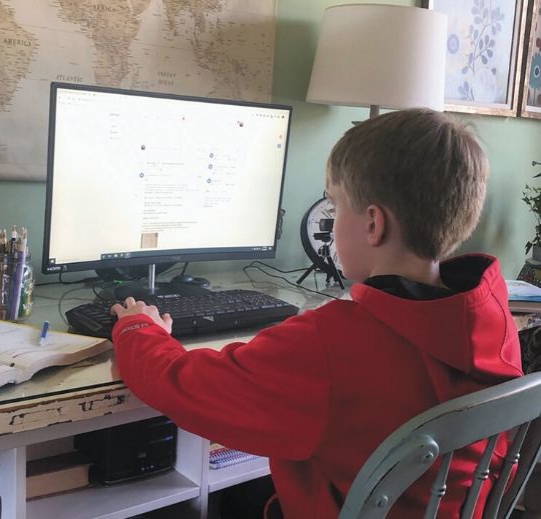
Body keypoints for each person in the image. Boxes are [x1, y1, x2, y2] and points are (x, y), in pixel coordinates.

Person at [110, 109, 522, 518]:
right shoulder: (492, 316)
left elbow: (183, 387)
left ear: (373, 224)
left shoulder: (330, 343)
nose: (333, 218)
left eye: (336, 205)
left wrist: (137, 328)